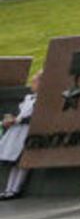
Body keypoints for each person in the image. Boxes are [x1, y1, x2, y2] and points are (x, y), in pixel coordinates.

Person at [0, 71, 40, 200]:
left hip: (26, 133)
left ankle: (15, 189)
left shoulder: (39, 100)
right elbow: (21, 114)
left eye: (34, 81)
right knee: (14, 163)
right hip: (18, 132)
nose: (31, 84)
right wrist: (12, 119)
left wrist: (17, 120)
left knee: (22, 162)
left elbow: (33, 117)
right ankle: (8, 189)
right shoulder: (28, 98)